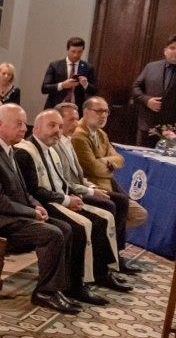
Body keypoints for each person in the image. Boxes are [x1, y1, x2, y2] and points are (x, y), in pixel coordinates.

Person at [0, 104, 80, 314]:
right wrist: (31, 212)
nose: (24, 128)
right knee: (52, 233)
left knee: (65, 228)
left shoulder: (9, 149)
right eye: (18, 124)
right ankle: (44, 293)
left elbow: (22, 190)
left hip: (12, 214)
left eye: (24, 123)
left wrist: (36, 205)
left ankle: (57, 288)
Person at [15, 109, 128, 303]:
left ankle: (99, 272)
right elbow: (33, 191)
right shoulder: (25, 152)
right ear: (37, 126)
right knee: (81, 225)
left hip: (58, 198)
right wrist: (67, 200)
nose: (57, 131)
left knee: (104, 216)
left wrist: (74, 196)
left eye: (59, 126)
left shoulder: (51, 149)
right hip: (44, 204)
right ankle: (75, 284)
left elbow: (61, 181)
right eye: (52, 126)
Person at [54, 102, 139, 275]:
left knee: (121, 201)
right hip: (70, 193)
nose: (75, 124)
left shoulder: (71, 140)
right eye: (71, 120)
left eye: (76, 119)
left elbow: (120, 160)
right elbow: (89, 170)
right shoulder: (72, 139)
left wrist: (92, 184)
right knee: (109, 206)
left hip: (84, 186)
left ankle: (114, 257)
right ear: (59, 121)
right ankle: (101, 266)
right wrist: (92, 189)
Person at [70, 96, 149, 227]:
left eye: (106, 111)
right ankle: (106, 238)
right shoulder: (78, 135)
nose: (104, 115)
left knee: (139, 214)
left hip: (109, 188)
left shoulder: (101, 134)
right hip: (93, 188)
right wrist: (110, 168)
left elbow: (121, 159)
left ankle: (107, 236)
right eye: (99, 111)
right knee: (129, 215)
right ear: (86, 111)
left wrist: (103, 161)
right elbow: (94, 168)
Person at [131, 33, 176, 146]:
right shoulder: (151, 67)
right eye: (172, 48)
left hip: (172, 129)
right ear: (165, 50)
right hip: (148, 124)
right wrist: (147, 100)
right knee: (141, 159)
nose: (175, 51)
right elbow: (136, 87)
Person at [41, 36, 97, 110]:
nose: (76, 55)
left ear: (83, 50)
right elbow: (44, 89)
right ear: (67, 49)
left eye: (79, 52)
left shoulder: (88, 68)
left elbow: (95, 91)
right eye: (73, 51)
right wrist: (63, 85)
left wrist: (86, 84)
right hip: (56, 107)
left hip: (77, 109)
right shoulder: (55, 65)